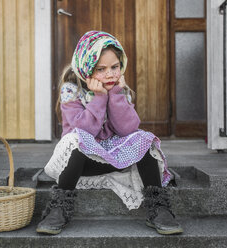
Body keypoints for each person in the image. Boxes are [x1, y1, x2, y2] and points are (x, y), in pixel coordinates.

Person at [36, 31, 183, 235]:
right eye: (101, 69)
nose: (110, 74)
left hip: (116, 159)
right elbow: (84, 131)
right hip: (81, 163)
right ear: (86, 69)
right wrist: (99, 97)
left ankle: (158, 206)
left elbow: (128, 129)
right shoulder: (71, 90)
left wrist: (115, 95)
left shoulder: (119, 89)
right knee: (77, 143)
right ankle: (59, 207)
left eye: (115, 67)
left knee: (144, 139)